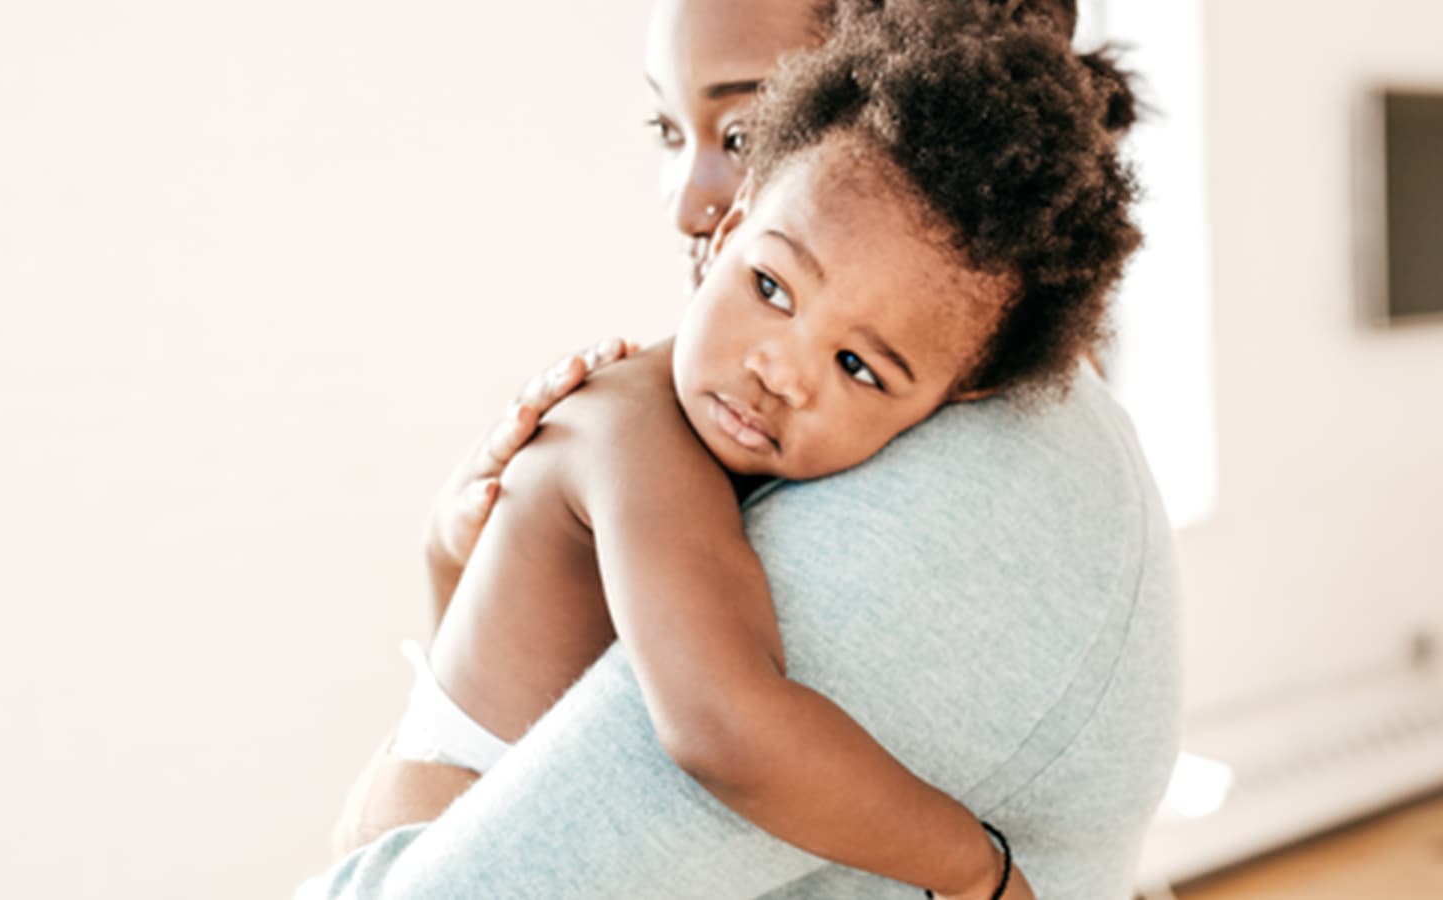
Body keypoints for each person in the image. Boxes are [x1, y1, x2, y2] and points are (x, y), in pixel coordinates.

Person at [301, 1, 1181, 898]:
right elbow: (727, 727)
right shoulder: (634, 424)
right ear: (741, 228)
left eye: (858, 367)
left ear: (966, 391)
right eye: (770, 286)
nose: (780, 371)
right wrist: (975, 868)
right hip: (423, 844)